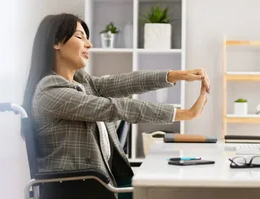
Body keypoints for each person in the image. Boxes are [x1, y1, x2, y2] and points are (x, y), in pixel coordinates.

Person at [21, 13, 210, 199]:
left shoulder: (83, 81)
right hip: (80, 188)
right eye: (80, 37)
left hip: (100, 183)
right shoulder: (50, 91)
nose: (89, 44)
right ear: (57, 43)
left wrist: (177, 75)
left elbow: (126, 82)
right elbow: (112, 108)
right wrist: (183, 114)